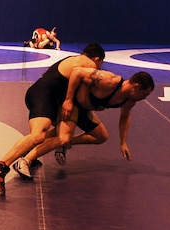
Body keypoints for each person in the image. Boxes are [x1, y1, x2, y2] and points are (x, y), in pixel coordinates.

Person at [0, 43, 105, 194]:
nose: (99, 70)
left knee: (54, 134)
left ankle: (27, 154)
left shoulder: (74, 59)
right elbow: (80, 79)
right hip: (43, 96)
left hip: (44, 96)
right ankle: (1, 166)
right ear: (97, 59)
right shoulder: (88, 64)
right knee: (38, 135)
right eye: (100, 65)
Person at [12, 69, 155, 178]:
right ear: (136, 86)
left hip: (84, 109)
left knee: (101, 136)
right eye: (145, 94)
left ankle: (35, 148)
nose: (144, 98)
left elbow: (125, 118)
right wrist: (68, 100)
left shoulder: (130, 100)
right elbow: (77, 71)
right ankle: (25, 161)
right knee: (63, 137)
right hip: (72, 104)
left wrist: (123, 142)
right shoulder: (109, 80)